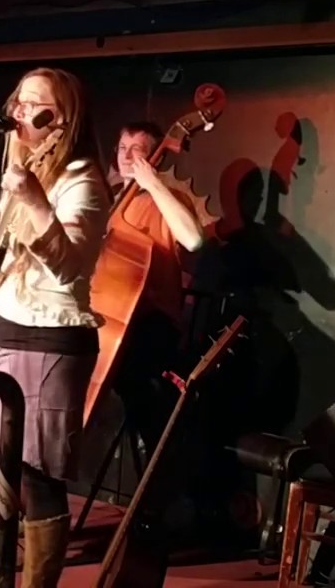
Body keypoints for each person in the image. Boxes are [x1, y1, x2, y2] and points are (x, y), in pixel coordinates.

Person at [0, 67, 111, 588]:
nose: (19, 112)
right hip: (7, 334)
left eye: (34, 103)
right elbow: (3, 247)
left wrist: (36, 199)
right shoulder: (22, 166)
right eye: (17, 102)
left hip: (51, 339)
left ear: (61, 119)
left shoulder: (83, 180)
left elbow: (69, 264)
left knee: (36, 472)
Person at [106, 120, 205, 447]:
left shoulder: (168, 200)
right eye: (122, 148)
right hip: (110, 317)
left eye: (137, 150)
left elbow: (193, 240)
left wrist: (153, 184)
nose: (126, 156)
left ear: (155, 158)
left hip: (150, 322)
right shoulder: (112, 203)